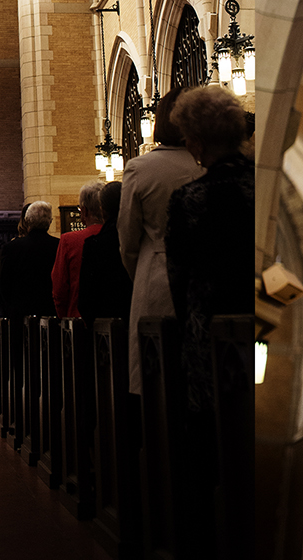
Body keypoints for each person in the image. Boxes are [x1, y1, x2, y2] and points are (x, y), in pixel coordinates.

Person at [165, 86, 256, 415]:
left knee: (218, 426)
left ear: (198, 142)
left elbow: (178, 279)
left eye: (187, 138)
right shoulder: (259, 183)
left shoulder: (189, 198)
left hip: (210, 333)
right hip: (256, 320)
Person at [118, 88, 201, 394]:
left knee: (157, 375)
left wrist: (139, 271)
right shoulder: (205, 166)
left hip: (155, 274)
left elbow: (127, 240)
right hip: (207, 278)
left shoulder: (141, 168)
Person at [78, 180, 133, 322]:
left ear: (103, 209)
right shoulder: (137, 236)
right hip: (134, 314)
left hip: (104, 319)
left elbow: (86, 295)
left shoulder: (95, 244)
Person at [0, 201, 59, 323]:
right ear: (50, 221)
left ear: (27, 221)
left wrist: (13, 307)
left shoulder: (12, 247)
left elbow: (4, 283)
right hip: (50, 312)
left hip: (20, 314)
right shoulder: (58, 246)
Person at [51, 181, 104, 318]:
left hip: (79, 320)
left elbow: (60, 288)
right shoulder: (121, 237)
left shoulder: (69, 240)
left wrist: (64, 319)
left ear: (85, 210)